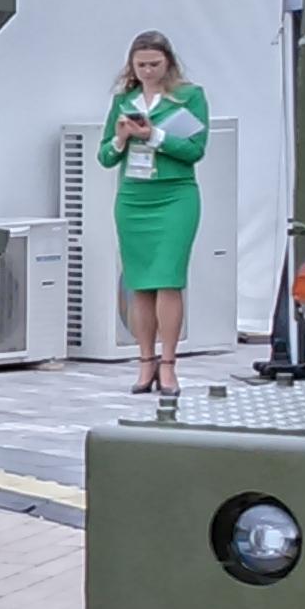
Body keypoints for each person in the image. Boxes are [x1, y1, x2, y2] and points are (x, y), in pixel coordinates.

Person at [100, 30, 211, 395]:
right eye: (141, 65)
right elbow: (105, 157)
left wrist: (155, 136)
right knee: (140, 282)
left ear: (168, 63)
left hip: (174, 194)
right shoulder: (124, 101)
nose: (147, 71)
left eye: (154, 64)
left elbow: (195, 149)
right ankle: (144, 360)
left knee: (168, 277)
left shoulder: (189, 97)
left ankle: (168, 364)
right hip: (134, 196)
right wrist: (121, 138)